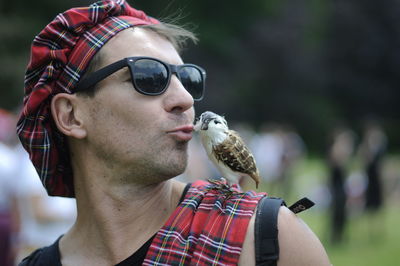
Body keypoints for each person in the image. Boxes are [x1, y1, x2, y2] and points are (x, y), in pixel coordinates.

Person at [16, 1, 331, 265]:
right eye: (149, 76)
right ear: (71, 116)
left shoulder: (266, 237)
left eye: (189, 80)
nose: (185, 99)